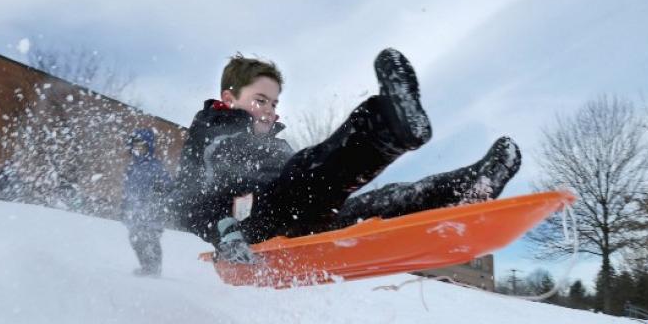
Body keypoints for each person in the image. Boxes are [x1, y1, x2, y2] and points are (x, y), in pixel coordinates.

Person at [171, 48, 522, 263]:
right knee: (305, 177)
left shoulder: (275, 145)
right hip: (247, 232)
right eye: (260, 101)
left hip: (290, 223)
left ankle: (462, 191)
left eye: (274, 103)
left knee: (369, 207)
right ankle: (389, 124)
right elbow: (193, 197)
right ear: (230, 98)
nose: (268, 111)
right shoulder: (214, 127)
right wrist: (224, 233)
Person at [121, 127, 173, 276]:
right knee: (135, 237)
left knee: (149, 238)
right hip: (136, 211)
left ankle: (153, 268)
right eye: (135, 145)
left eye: (141, 145)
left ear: (148, 146)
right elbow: (127, 189)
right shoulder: (132, 167)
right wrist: (124, 206)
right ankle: (146, 267)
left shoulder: (156, 167)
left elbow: (168, 186)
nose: (137, 149)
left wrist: (160, 193)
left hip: (153, 211)